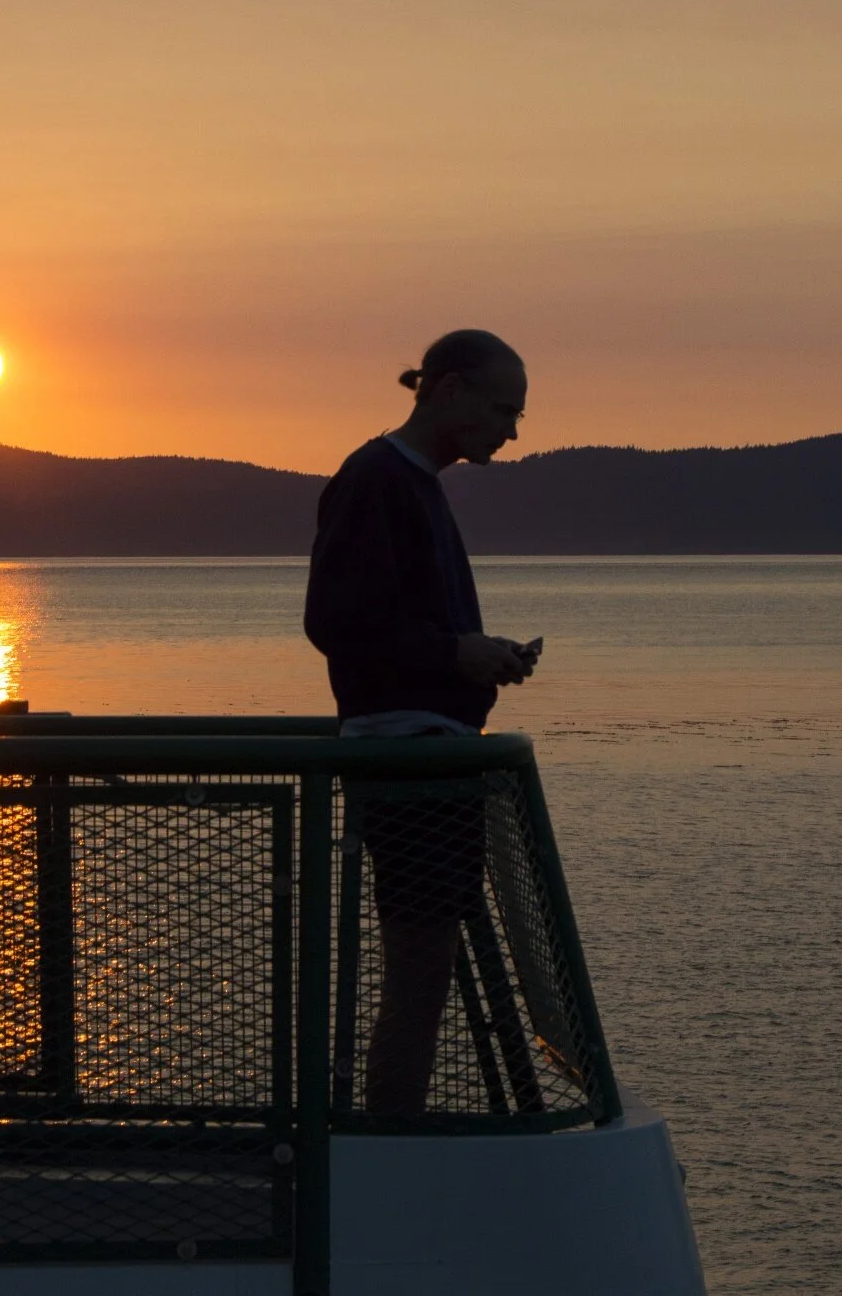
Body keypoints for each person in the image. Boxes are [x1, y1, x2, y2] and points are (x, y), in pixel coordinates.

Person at [304, 329, 540, 1115]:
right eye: (503, 409)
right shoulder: (379, 480)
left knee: (426, 962)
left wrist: (477, 655)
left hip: (425, 757)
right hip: (408, 764)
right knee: (419, 962)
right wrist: (457, 654)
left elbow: (384, 627)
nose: (510, 430)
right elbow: (337, 623)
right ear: (448, 391)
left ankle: (392, 1125)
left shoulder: (410, 483)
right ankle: (392, 1131)